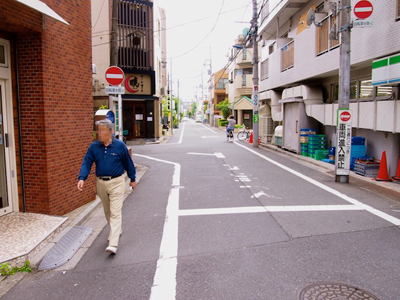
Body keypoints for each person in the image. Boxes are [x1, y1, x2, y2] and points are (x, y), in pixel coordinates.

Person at [77, 119, 137, 255]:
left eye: (103, 130)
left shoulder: (120, 146)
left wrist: (133, 179)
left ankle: (113, 243)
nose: (100, 133)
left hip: (116, 182)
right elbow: (87, 162)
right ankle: (116, 230)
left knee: (115, 212)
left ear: (110, 131)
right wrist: (82, 178)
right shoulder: (94, 147)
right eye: (98, 130)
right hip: (101, 183)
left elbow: (129, 163)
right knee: (107, 212)